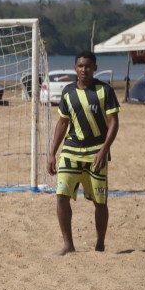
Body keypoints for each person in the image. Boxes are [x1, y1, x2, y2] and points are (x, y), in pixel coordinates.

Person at [47, 50, 120, 255]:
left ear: (95, 68)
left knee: (100, 201)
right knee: (61, 196)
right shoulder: (68, 92)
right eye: (80, 66)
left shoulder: (105, 91)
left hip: (96, 152)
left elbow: (114, 122)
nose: (84, 70)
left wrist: (104, 150)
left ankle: (100, 242)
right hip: (71, 151)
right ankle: (68, 244)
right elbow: (62, 122)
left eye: (88, 66)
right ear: (75, 68)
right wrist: (52, 153)